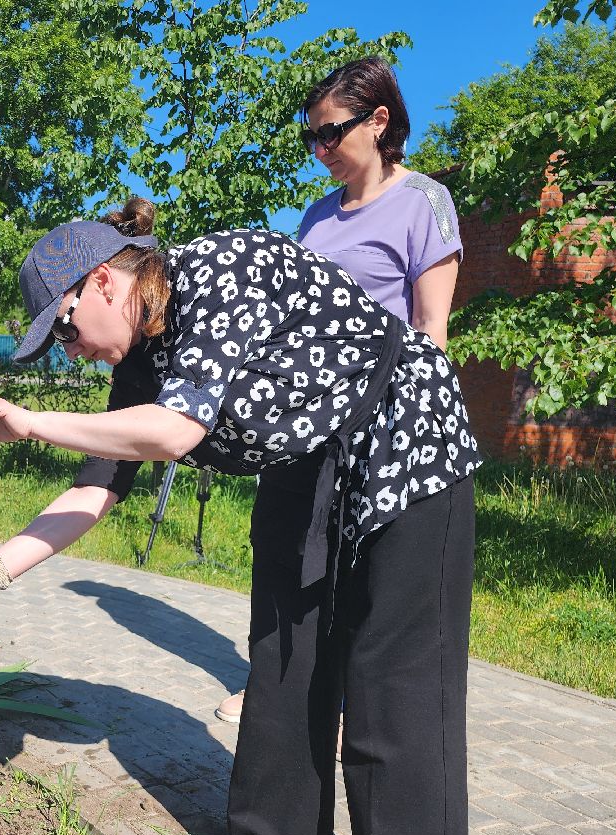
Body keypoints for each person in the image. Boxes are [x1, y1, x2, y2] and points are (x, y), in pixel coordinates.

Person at [0, 197, 479, 835]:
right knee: (285, 647)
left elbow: (175, 433)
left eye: (63, 329)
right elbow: (98, 487)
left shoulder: (218, 271)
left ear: (103, 282)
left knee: (392, 664)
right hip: (307, 457)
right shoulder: (139, 355)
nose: (68, 351)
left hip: (405, 435)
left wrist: (30, 421)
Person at [215, 55, 462, 725]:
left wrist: (396, 431)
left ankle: (350, 699)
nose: (320, 150)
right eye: (311, 137)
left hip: (377, 426)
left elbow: (430, 332)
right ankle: (278, 687)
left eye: (331, 133)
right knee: (289, 558)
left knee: (354, 573)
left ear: (379, 120)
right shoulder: (317, 216)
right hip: (302, 422)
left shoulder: (424, 203)